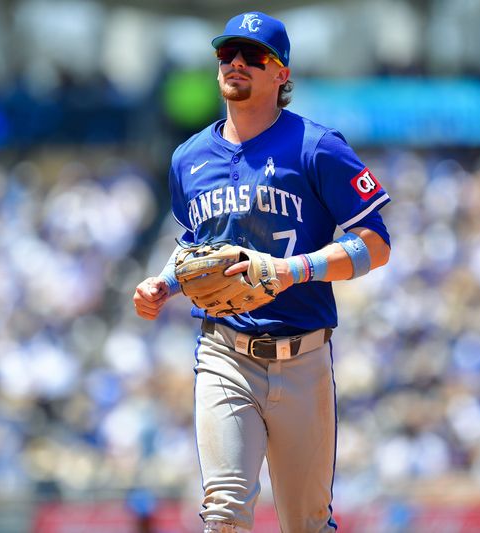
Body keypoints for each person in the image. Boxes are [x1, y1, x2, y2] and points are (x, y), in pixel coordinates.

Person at [133, 11, 391, 533]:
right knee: (225, 512)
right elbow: (194, 245)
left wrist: (294, 270)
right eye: (227, 54)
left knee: (308, 523)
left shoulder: (316, 147)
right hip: (224, 352)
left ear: (282, 75)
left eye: (254, 56)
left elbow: (376, 245)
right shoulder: (189, 158)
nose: (236, 63)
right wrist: (166, 281)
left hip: (304, 358)